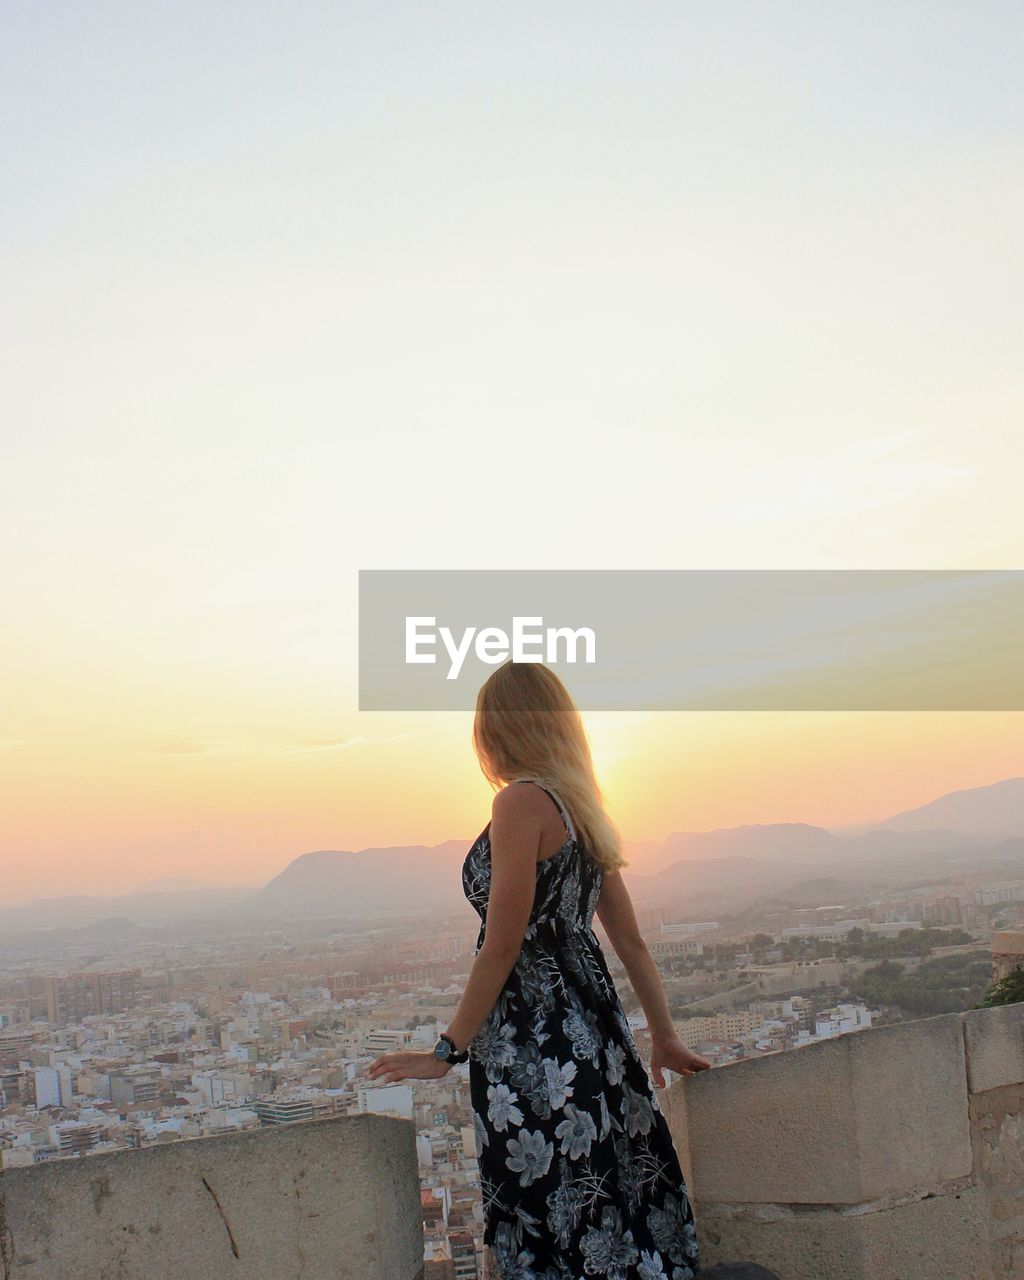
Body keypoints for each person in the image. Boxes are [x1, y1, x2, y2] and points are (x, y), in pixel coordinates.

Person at [368, 660, 710, 1279]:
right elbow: (630, 940)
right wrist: (662, 1035)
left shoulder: (520, 803)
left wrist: (446, 1051)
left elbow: (502, 946)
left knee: (546, 1205)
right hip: (594, 1031)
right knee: (603, 1201)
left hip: (533, 1038)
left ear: (500, 729)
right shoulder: (581, 807)